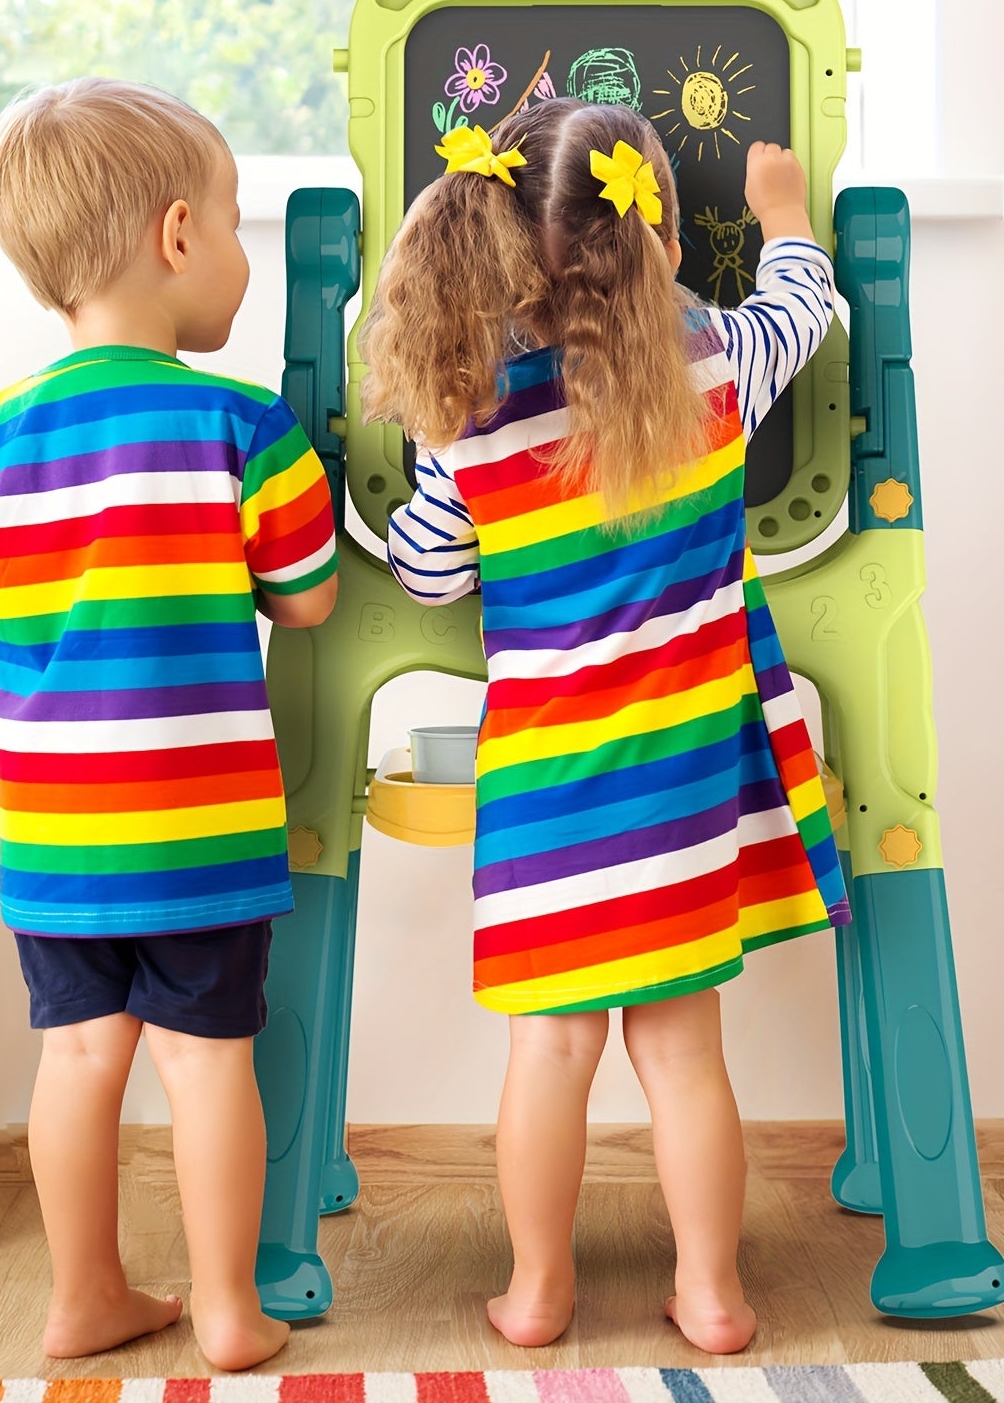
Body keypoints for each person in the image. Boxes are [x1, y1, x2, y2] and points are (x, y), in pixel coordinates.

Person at [363, 97, 848, 1355]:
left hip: (547, 795)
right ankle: (712, 1294)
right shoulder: (717, 362)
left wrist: (432, 464)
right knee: (683, 1058)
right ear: (663, 237)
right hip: (684, 792)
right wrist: (785, 213)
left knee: (549, 1052)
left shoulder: (473, 416)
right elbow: (804, 306)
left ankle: (536, 1292)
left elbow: (427, 573)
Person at [0, 78, 337, 1370]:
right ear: (177, 235)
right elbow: (309, 600)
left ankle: (83, 1295)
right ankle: (229, 1312)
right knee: (208, 1064)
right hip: (199, 832)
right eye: (236, 220)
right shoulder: (240, 425)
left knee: (80, 1057)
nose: (242, 251)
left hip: (57, 838)